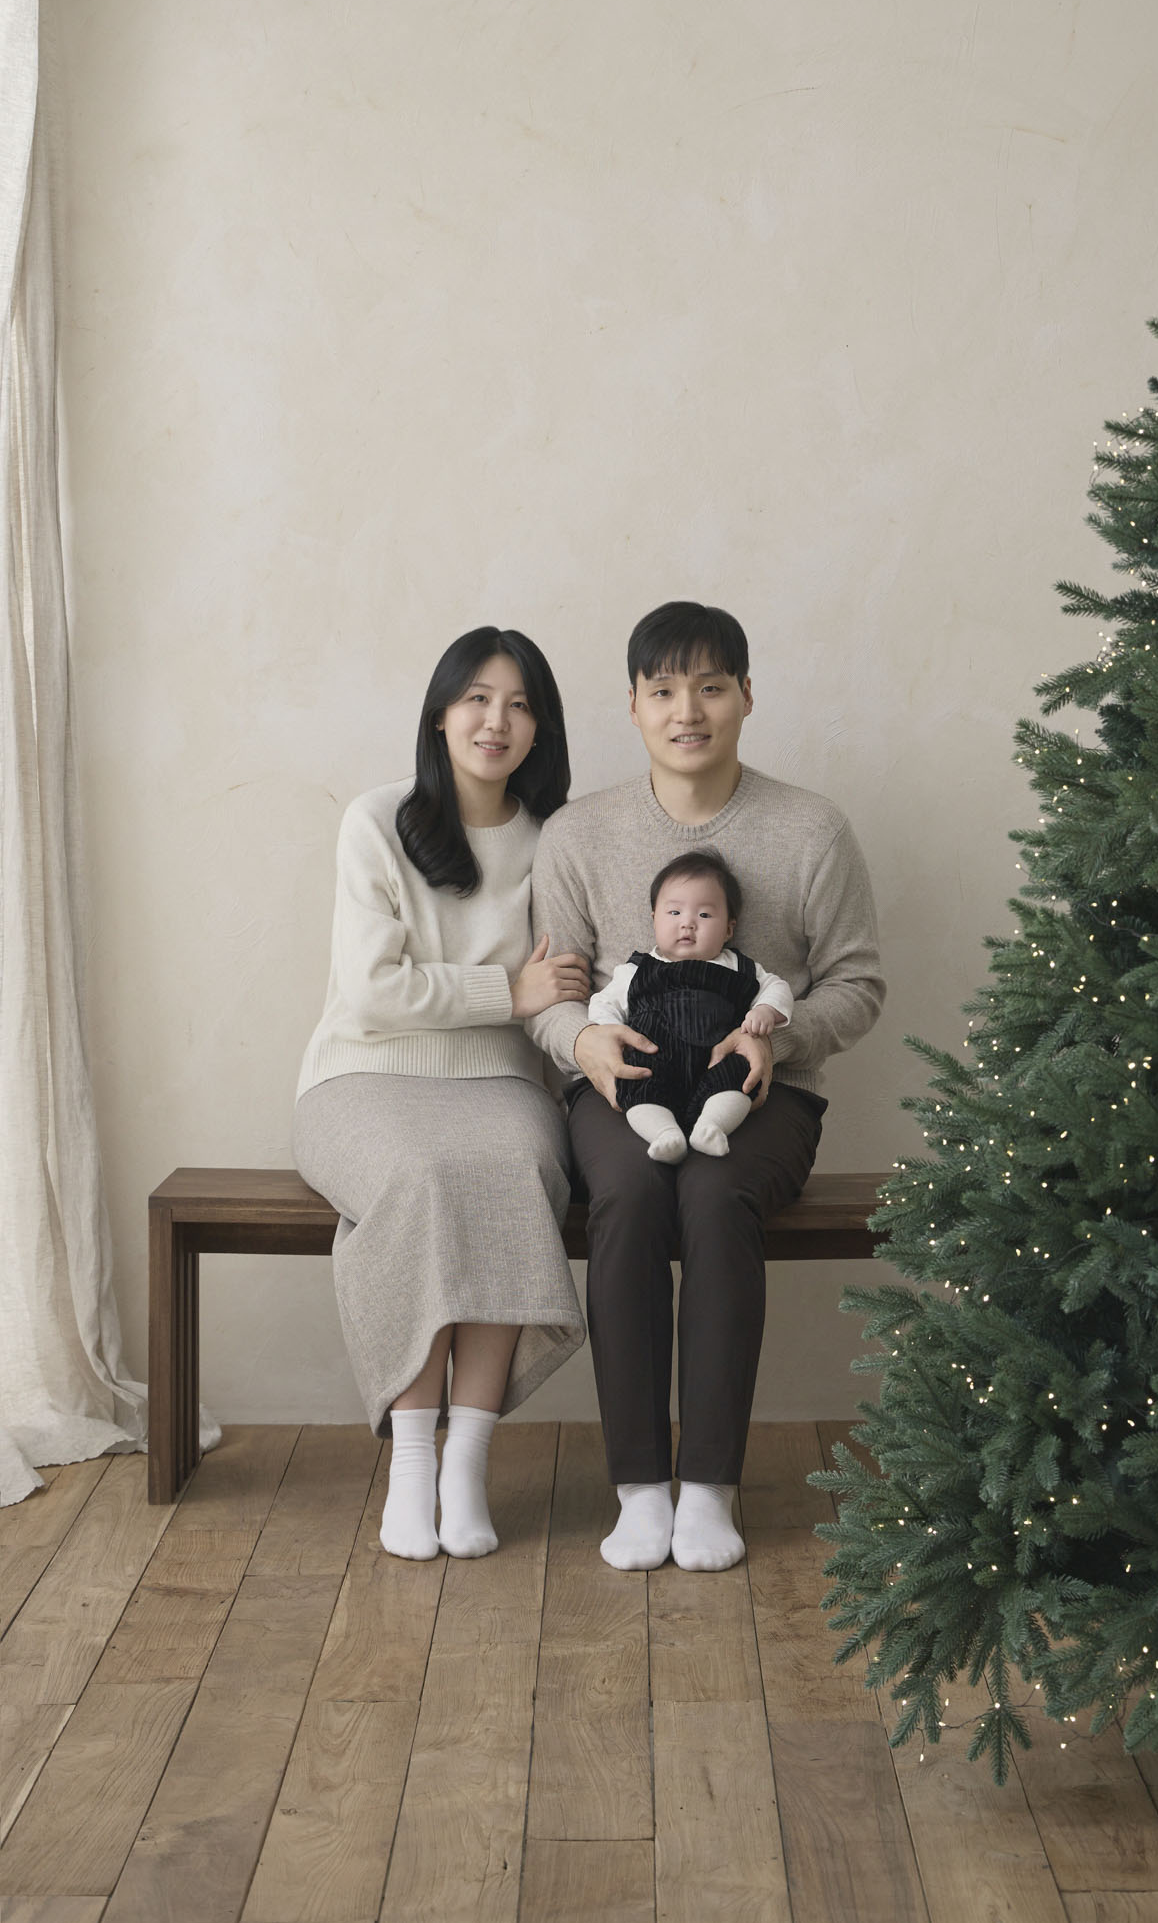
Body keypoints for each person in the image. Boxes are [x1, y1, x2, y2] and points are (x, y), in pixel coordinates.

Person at [529, 601, 883, 1573]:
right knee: (630, 1194)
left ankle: (711, 1487)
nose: (688, 711)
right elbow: (549, 995)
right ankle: (641, 1487)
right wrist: (584, 1042)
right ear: (634, 705)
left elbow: (857, 983)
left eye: (711, 687)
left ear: (746, 697)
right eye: (664, 690)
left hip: (765, 1093)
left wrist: (779, 1035)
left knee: (717, 1195)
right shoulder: (577, 833)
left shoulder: (811, 829)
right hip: (623, 1087)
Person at [293, 627, 590, 1561]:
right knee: (420, 1177)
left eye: (519, 705)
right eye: (476, 699)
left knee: (510, 1170)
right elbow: (372, 995)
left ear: (540, 730)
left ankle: (467, 1461)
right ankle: (412, 1464)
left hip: (499, 1080)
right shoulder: (376, 820)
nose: (496, 721)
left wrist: (533, 1006)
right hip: (359, 1076)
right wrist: (505, 991)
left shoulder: (555, 841)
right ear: (439, 714)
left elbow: (563, 987)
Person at [586, 849, 794, 1163]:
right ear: (654, 919)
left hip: (718, 1058)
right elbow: (603, 1004)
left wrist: (765, 1010)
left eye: (705, 915)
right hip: (655, 1057)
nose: (688, 924)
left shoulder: (740, 967)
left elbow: (777, 988)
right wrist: (612, 1033)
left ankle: (712, 1126)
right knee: (635, 1082)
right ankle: (663, 1133)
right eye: (674, 912)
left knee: (742, 1078)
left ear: (729, 929)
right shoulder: (635, 971)